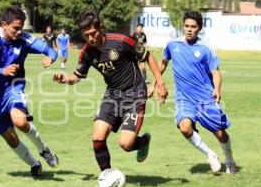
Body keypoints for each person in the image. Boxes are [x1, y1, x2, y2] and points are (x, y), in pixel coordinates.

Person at [53, 10, 168, 172]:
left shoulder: (121, 41)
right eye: (86, 35)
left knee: (126, 144)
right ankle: (107, 176)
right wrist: (64, 79)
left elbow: (148, 56)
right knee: (97, 138)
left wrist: (160, 83)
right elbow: (78, 76)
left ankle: (143, 142)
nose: (90, 38)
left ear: (101, 28)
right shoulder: (87, 52)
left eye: (93, 33)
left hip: (135, 94)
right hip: (112, 95)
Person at [0, 6, 59, 177]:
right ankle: (35, 164)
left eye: (21, 27)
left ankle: (44, 150)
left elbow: (50, 50)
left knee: (20, 121)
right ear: (4, 24)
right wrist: (2, 71)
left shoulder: (25, 39)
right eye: (16, 28)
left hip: (13, 87)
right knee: (10, 137)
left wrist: (51, 57)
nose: (20, 32)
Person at [149, 11, 237, 174]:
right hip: (184, 99)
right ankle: (210, 154)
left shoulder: (205, 48)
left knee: (220, 133)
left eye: (193, 27)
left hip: (205, 98)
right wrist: (154, 84)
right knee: (185, 127)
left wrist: (217, 89)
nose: (189, 29)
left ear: (200, 28)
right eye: (187, 26)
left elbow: (216, 72)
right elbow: (162, 63)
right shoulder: (172, 45)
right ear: (183, 26)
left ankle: (229, 158)